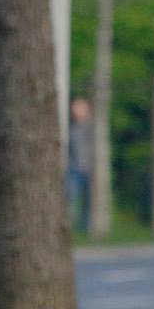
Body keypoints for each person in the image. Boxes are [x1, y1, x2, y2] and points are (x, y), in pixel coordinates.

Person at [67, 96, 94, 233]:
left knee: (88, 201)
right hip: (73, 168)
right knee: (71, 198)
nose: (75, 110)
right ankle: (71, 226)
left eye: (79, 108)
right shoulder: (70, 128)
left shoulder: (91, 128)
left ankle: (86, 228)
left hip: (88, 168)